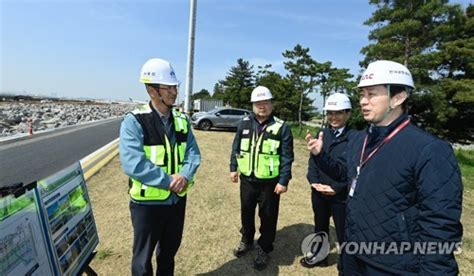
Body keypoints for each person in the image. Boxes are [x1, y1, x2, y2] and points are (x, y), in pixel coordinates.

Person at [306, 60, 463, 275]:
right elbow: (346, 175)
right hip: (353, 254)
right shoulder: (358, 140)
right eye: (362, 94)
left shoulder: (429, 150)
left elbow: (440, 225)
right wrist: (320, 155)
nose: (363, 101)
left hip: (394, 265)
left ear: (398, 97)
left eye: (371, 94)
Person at [119, 58, 201, 276]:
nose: (175, 92)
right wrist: (169, 182)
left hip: (176, 201)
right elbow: (133, 163)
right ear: (152, 90)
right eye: (169, 87)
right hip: (147, 205)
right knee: (142, 260)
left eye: (176, 87)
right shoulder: (134, 121)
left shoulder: (181, 120)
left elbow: (193, 153)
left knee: (168, 253)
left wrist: (184, 175)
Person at [229, 86, 294, 270]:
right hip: (247, 180)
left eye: (265, 102)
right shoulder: (244, 123)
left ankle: (264, 248)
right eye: (258, 103)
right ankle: (247, 240)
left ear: (271, 104)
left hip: (270, 184)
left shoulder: (282, 127)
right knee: (246, 213)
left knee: (268, 217)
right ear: (253, 105)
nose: (262, 106)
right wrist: (233, 168)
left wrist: (283, 181)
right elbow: (236, 148)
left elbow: (287, 157)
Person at [300, 93, 354, 272]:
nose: (333, 117)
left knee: (343, 232)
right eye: (330, 113)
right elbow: (313, 161)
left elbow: (350, 172)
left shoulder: (355, 137)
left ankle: (346, 264)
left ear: (348, 113)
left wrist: (337, 188)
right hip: (319, 192)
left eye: (338, 113)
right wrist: (314, 181)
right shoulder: (322, 133)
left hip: (341, 195)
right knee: (320, 226)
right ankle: (320, 256)